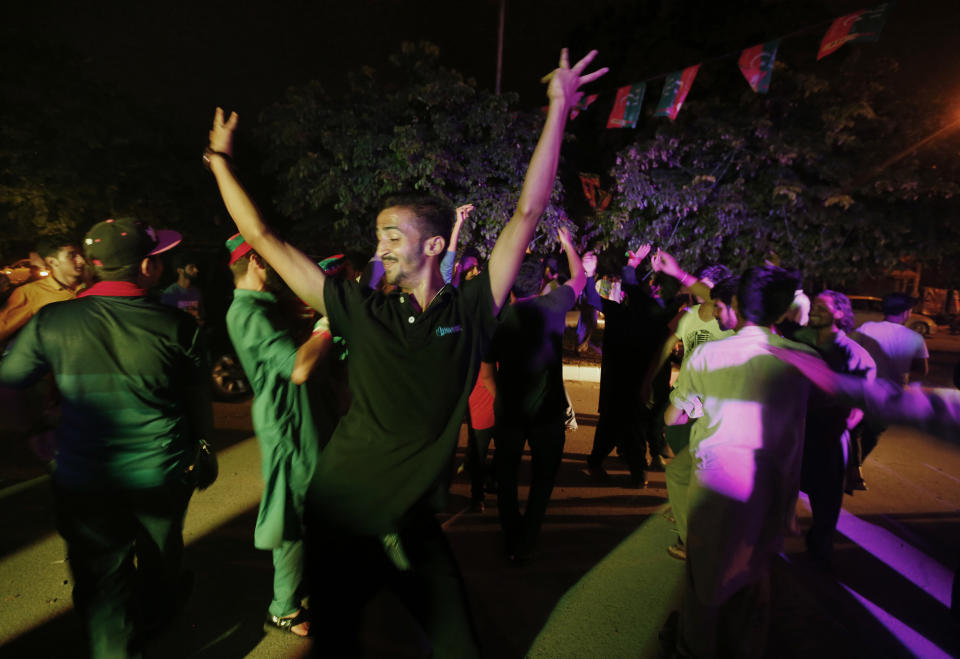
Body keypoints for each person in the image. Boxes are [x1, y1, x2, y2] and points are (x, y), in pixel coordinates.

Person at [204, 48, 606, 656]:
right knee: (341, 641)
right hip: (341, 510)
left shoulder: (471, 309)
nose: (381, 246)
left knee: (456, 643)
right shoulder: (359, 309)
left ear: (435, 245)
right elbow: (265, 238)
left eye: (393, 235)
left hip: (412, 517)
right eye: (377, 235)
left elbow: (527, 213)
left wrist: (557, 109)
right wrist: (219, 163)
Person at [0, 217, 212, 658]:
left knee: (102, 583)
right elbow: (197, 401)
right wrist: (204, 449)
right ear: (147, 268)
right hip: (159, 474)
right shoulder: (178, 326)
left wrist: (35, 431)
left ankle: (115, 642)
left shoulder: (54, 320)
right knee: (159, 559)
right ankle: (155, 615)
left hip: (82, 475)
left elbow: (10, 379)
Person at [662, 265, 817, 659]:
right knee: (752, 585)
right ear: (782, 312)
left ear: (734, 303)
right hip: (770, 488)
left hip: (715, 486)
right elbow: (797, 434)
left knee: (703, 586)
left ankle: (693, 650)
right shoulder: (801, 361)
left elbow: (675, 415)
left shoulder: (711, 354)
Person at [224, 233, 340, 637]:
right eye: (274, 257)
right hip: (288, 425)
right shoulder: (249, 313)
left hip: (298, 420)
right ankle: (284, 606)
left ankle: (294, 597)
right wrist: (326, 327)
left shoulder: (263, 306)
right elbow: (298, 368)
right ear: (258, 260)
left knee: (305, 512)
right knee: (292, 517)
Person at [487, 227, 585, 561]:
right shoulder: (554, 304)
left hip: (511, 414)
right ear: (543, 281)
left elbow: (487, 376)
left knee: (506, 478)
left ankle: (511, 536)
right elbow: (580, 278)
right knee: (543, 480)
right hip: (547, 414)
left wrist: (504, 400)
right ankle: (528, 538)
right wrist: (568, 244)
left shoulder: (497, 319)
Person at [645, 250, 733, 560]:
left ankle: (696, 538)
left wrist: (682, 275)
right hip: (688, 396)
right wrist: (651, 380)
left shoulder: (729, 323)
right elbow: (672, 345)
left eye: (706, 288)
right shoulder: (690, 317)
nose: (698, 293)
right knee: (679, 458)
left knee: (697, 472)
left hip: (716, 408)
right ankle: (688, 517)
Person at [794, 291, 875, 565]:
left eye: (822, 307)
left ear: (841, 313)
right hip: (791, 431)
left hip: (828, 434)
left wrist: (840, 425)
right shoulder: (796, 342)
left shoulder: (855, 354)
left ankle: (820, 545)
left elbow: (860, 403)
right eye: (814, 305)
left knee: (826, 496)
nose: (814, 309)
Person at [585, 244, 667, 487]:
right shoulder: (645, 310)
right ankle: (621, 467)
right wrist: (648, 270)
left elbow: (594, 298)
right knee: (618, 424)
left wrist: (590, 275)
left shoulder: (624, 309)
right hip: (628, 379)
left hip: (624, 379)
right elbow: (596, 297)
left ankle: (631, 469)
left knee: (623, 425)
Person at [850, 291, 930, 488]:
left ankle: (850, 467)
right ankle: (855, 468)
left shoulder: (866, 328)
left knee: (853, 430)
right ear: (905, 312)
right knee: (872, 435)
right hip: (891, 395)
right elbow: (922, 370)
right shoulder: (914, 338)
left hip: (863, 389)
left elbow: (850, 351)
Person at [0, 235, 86, 345]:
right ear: (52, 262)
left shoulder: (91, 286)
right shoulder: (30, 293)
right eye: (72, 256)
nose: (81, 260)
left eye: (81, 255)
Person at [160, 251, 205, 323]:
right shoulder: (170, 294)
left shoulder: (196, 291)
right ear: (180, 271)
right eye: (191, 267)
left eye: (195, 267)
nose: (196, 270)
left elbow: (201, 314)